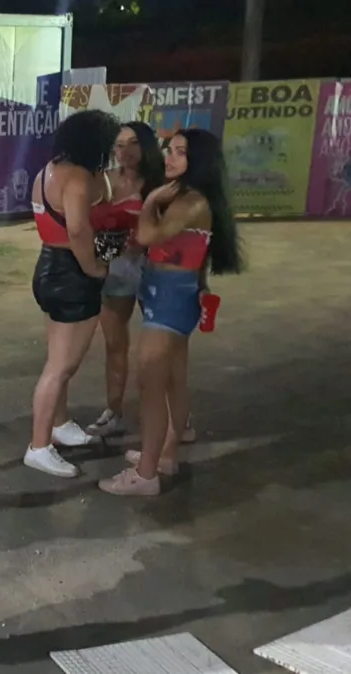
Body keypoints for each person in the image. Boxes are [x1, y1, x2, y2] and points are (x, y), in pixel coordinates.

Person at [100, 128, 242, 496]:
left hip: (168, 300)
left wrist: (148, 203)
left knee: (150, 386)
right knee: (172, 382)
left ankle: (146, 475)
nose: (170, 157)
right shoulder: (185, 195)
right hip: (172, 294)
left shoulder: (191, 201)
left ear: (200, 161)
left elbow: (148, 236)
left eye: (181, 152)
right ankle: (164, 455)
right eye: (170, 150)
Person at [23, 109, 124, 479]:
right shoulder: (80, 178)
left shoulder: (47, 171)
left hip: (48, 266)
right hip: (71, 273)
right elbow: (80, 231)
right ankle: (38, 446)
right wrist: (94, 268)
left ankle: (59, 424)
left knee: (57, 359)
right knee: (61, 366)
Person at [85, 122, 165, 438]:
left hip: (154, 269)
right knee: (115, 345)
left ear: (146, 146)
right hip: (114, 271)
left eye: (133, 143)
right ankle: (113, 412)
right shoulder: (101, 181)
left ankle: (171, 416)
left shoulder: (162, 184)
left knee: (160, 348)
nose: (125, 152)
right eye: (119, 145)